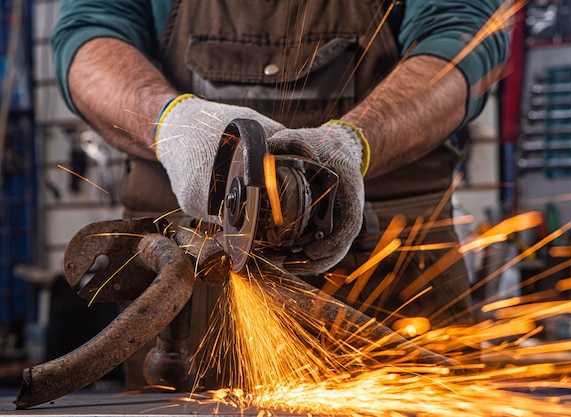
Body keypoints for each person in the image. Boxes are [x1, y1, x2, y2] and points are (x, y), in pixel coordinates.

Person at [52, 0, 509, 387]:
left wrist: (354, 142)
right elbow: (91, 31)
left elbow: (464, 34)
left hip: (389, 280)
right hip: (191, 291)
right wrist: (171, 123)